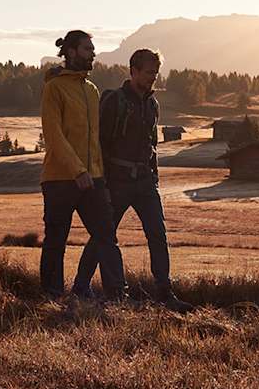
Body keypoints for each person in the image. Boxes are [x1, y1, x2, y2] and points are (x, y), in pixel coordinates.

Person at [72, 49, 193, 311]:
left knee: (158, 235)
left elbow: (152, 144)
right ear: (133, 71)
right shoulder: (114, 101)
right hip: (117, 181)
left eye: (156, 73)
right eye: (149, 72)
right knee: (103, 236)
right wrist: (100, 184)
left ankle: (164, 292)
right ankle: (80, 287)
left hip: (145, 182)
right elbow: (99, 144)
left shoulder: (152, 104)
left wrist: (154, 177)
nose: (153, 78)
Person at [39, 30, 126, 299]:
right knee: (56, 240)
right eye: (88, 49)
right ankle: (52, 296)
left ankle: (116, 295)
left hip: (93, 178)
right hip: (59, 179)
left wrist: (98, 173)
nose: (93, 53)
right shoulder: (54, 88)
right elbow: (53, 135)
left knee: (106, 236)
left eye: (93, 48)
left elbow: (95, 138)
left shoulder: (91, 90)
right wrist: (77, 170)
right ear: (72, 51)